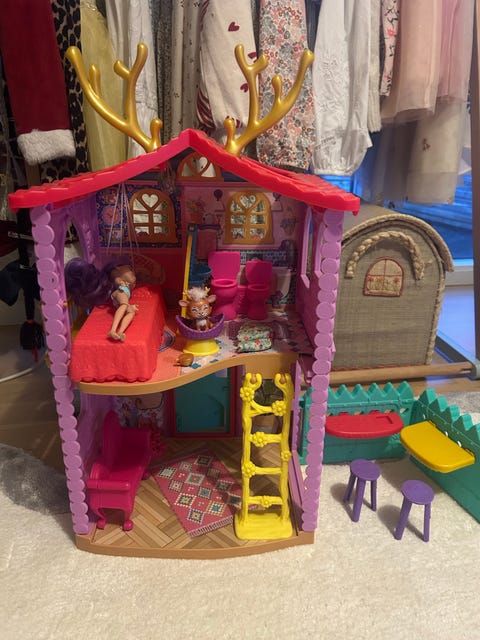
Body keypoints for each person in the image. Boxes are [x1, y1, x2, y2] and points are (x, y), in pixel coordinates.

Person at [65, 256, 138, 341]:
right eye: (130, 269)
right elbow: (118, 281)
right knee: (124, 305)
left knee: (130, 311)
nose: (133, 274)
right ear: (118, 267)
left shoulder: (112, 284)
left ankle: (120, 331)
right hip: (119, 293)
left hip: (117, 293)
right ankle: (113, 330)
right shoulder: (117, 281)